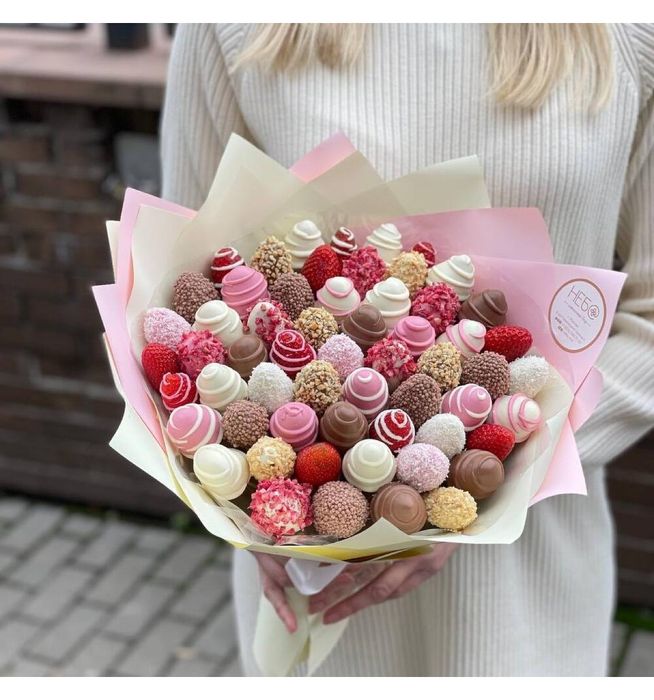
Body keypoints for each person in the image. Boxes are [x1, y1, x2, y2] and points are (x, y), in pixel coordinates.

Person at [160, 23, 654, 676]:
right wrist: (237, 498)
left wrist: (512, 472)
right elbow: (184, 283)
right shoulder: (234, 27)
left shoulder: (629, 36)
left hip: (523, 588)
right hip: (314, 578)